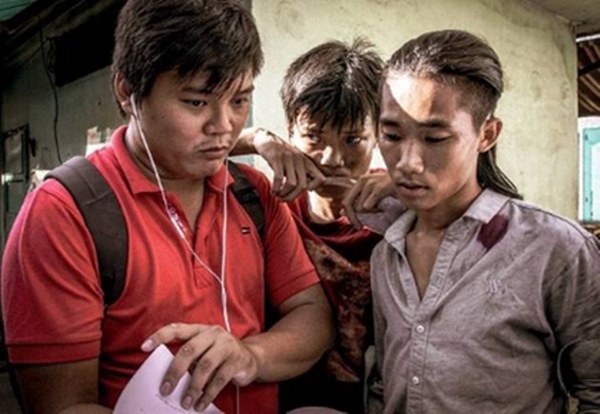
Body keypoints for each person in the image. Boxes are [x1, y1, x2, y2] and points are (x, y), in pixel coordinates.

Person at [0, 1, 334, 413]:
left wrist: (252, 356)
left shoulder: (252, 195)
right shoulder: (65, 214)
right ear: (128, 92)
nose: (223, 126)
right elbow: (62, 406)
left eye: (239, 100)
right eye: (196, 102)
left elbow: (312, 315)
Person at [368, 29, 600, 413]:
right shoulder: (386, 255)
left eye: (434, 138)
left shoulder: (556, 249)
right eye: (391, 134)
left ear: (486, 134)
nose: (408, 162)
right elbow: (383, 381)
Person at [234, 38, 394, 413]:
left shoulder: (398, 211)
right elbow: (182, 151)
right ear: (290, 131)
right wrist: (257, 139)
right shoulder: (272, 208)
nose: (332, 158)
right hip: (283, 394)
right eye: (313, 136)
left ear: (378, 135)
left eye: (353, 139)